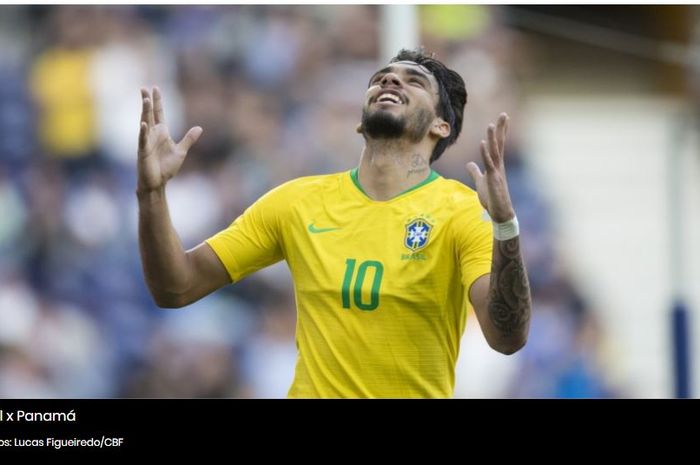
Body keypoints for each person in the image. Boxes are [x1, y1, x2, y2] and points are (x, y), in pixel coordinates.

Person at [136, 49, 532, 398]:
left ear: (440, 126)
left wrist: (505, 228)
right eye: (381, 79)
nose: (390, 80)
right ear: (361, 121)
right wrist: (151, 195)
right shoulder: (297, 202)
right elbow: (177, 287)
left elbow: (506, 337)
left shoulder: (462, 212)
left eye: (414, 81)